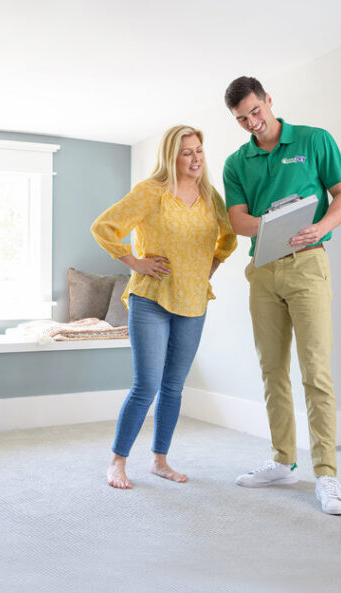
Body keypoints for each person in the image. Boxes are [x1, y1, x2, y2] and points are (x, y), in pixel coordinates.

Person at [222, 76, 341, 515]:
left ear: (269, 101)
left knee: (316, 372)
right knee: (271, 370)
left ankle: (327, 474)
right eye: (242, 119)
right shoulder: (236, 162)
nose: (252, 123)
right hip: (263, 270)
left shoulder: (314, 141)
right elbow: (238, 220)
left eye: (256, 112)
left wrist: (320, 225)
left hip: (308, 265)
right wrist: (276, 222)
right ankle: (282, 460)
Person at [91, 125, 237, 489]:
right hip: (151, 299)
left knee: (174, 386)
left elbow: (228, 237)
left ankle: (159, 460)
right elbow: (104, 227)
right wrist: (135, 262)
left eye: (199, 150)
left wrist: (210, 267)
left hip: (193, 301)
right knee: (147, 385)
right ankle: (117, 462)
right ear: (171, 156)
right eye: (187, 152)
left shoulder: (209, 195)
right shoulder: (151, 192)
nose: (196, 158)